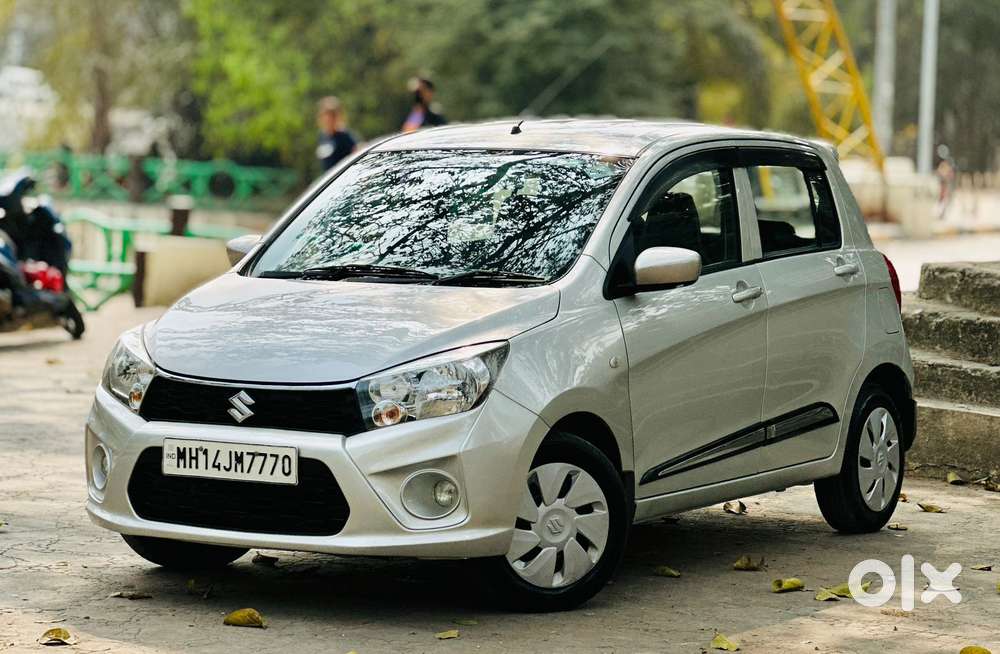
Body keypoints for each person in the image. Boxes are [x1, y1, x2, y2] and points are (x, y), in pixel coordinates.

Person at [315, 96, 357, 172]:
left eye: (332, 116)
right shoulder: (322, 136)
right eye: (325, 116)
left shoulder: (344, 135)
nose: (328, 120)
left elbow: (358, 151)